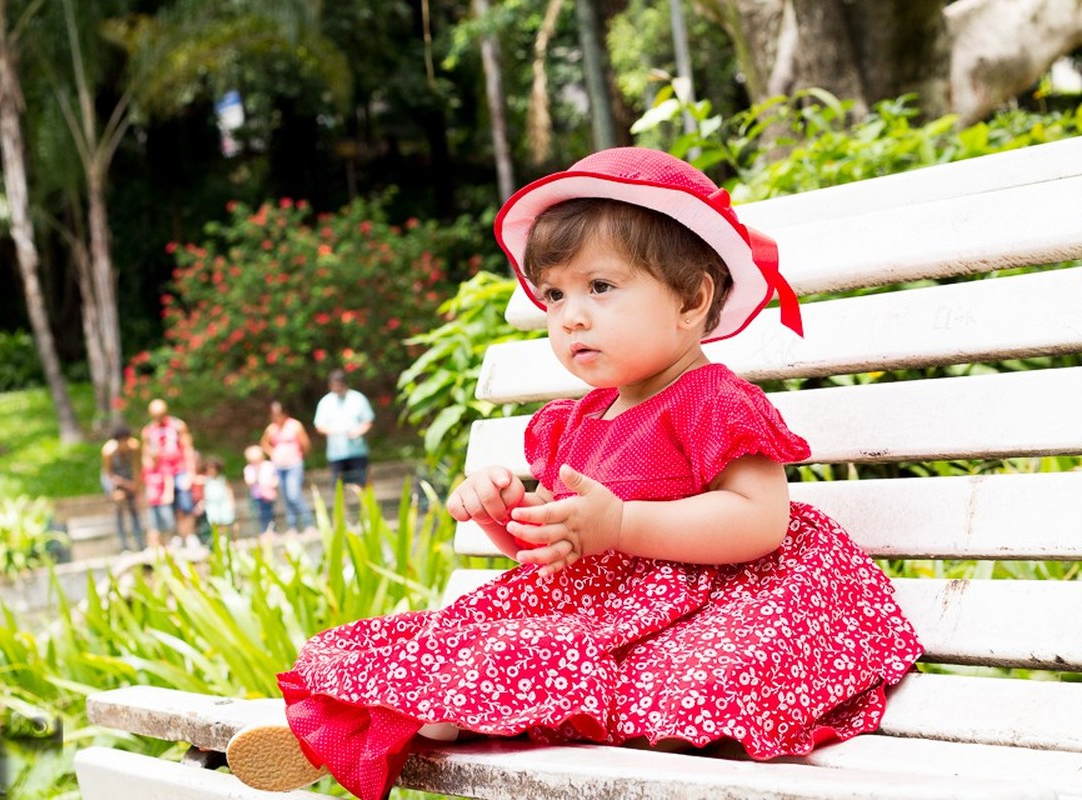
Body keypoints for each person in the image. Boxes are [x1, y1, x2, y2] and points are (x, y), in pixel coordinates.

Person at [223, 148, 923, 799]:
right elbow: (560, 559)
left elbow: (760, 520)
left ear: (690, 301)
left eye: (599, 286)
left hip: (712, 610)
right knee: (486, 640)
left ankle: (438, 718)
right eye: (554, 296)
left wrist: (622, 521)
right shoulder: (575, 422)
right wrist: (513, 520)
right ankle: (395, 722)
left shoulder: (714, 401)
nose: (570, 316)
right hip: (603, 619)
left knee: (662, 670)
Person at [141, 399, 198, 548]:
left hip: (180, 469)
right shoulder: (148, 431)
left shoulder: (177, 426)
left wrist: (191, 472)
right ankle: (176, 537)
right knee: (167, 507)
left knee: (185, 502)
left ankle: (190, 535)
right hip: (161, 474)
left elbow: (187, 448)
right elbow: (146, 454)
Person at [313, 370, 374, 491]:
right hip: (336, 453)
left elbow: (368, 421)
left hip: (357, 451)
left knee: (363, 485)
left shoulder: (358, 398)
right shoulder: (326, 402)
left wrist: (358, 431)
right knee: (339, 489)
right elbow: (319, 426)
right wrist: (335, 431)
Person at [261, 401, 315, 533]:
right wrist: (273, 453)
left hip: (294, 464)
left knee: (294, 494)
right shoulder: (271, 429)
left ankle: (309, 523)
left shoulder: (295, 425)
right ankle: (292, 526)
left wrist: (298, 456)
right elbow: (264, 443)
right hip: (279, 466)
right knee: (285, 496)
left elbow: (305, 444)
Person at [100, 425, 145, 551]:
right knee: (118, 507)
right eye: (121, 441)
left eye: (126, 440)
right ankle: (124, 546)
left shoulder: (134, 447)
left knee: (134, 508)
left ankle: (140, 544)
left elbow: (137, 469)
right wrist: (120, 487)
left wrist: (136, 486)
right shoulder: (108, 451)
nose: (124, 444)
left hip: (127, 475)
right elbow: (108, 474)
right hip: (113, 478)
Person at [243, 445, 279, 535]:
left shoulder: (268, 465)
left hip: (269, 493)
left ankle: (273, 531)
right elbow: (250, 482)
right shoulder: (249, 469)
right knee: (262, 514)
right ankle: (264, 531)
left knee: (270, 513)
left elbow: (275, 478)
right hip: (257, 495)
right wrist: (257, 472)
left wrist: (273, 485)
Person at [201, 457, 238, 540]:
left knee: (226, 520)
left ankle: (226, 537)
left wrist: (232, 501)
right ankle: (218, 538)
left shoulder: (222, 479)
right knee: (215, 521)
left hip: (224, 502)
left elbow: (229, 490)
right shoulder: (205, 480)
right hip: (211, 504)